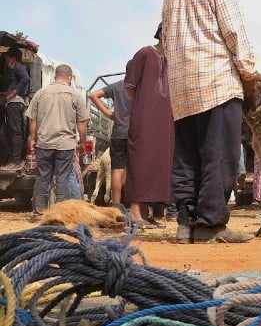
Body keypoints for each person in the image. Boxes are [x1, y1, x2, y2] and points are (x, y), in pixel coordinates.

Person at [162, 0, 259, 244]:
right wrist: (249, 78)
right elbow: (235, 34)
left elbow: (164, 41)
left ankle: (185, 222)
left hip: (182, 87)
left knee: (187, 156)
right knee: (219, 155)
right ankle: (211, 224)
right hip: (217, 81)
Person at [124, 23, 175, 227]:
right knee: (141, 161)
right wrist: (145, 104)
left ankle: (145, 214)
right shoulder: (145, 53)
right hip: (145, 117)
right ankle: (135, 212)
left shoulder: (175, 62)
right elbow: (130, 87)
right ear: (162, 33)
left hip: (166, 120)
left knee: (160, 165)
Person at [25, 64, 89, 221]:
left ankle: (39, 214)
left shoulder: (41, 94)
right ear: (69, 77)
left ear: (55, 76)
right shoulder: (75, 95)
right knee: (62, 178)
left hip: (44, 143)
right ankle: (60, 215)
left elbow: (33, 120)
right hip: (65, 145)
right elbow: (82, 123)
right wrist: (82, 142)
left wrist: (33, 140)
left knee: (42, 178)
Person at [88, 79, 132, 211]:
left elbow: (92, 95)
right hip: (136, 135)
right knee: (135, 172)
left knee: (117, 171)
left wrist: (108, 113)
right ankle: (137, 207)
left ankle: (116, 206)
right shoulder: (141, 86)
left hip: (118, 134)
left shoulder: (117, 86)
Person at [2, 47, 30, 169]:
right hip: (12, 102)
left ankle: (16, 161)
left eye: (7, 58)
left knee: (15, 133)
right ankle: (12, 159)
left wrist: (12, 94)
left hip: (15, 102)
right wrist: (5, 94)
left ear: (13, 58)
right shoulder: (17, 70)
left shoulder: (19, 68)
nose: (7, 61)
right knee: (6, 132)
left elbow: (26, 79)